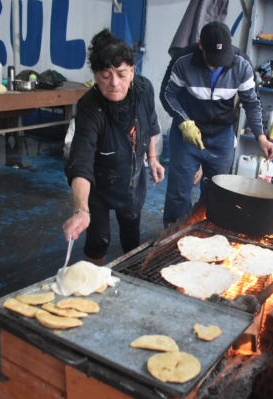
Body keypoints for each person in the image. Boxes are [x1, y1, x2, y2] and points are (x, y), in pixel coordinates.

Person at [159, 21, 273, 227]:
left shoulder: (241, 64)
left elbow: (251, 102)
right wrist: (184, 121)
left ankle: (208, 234)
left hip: (221, 136)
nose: (216, 65)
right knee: (179, 192)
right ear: (201, 46)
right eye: (212, 59)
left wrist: (261, 138)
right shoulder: (183, 61)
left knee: (217, 192)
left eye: (221, 60)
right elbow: (167, 95)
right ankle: (172, 237)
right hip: (187, 136)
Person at [63, 29, 165, 264]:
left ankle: (131, 280)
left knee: (131, 237)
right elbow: (81, 161)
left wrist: (152, 158)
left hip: (131, 179)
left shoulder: (143, 89)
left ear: (132, 71)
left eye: (121, 74)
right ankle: (91, 287)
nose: (114, 83)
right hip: (98, 185)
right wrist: (80, 209)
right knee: (98, 240)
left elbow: (150, 124)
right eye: (105, 75)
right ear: (95, 76)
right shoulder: (89, 108)